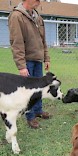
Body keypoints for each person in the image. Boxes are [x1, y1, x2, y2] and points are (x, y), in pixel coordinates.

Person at [8, 0, 51, 129]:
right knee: (27, 91)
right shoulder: (17, 16)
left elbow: (43, 40)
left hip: (38, 59)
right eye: (36, 0)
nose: (38, 2)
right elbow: (17, 43)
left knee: (39, 87)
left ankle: (38, 110)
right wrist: (21, 66)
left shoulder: (38, 17)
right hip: (27, 60)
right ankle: (30, 116)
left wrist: (46, 58)